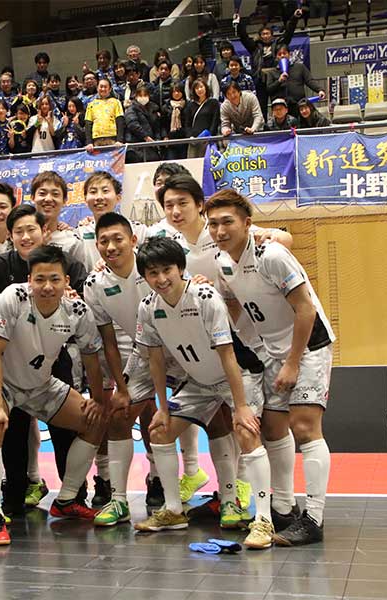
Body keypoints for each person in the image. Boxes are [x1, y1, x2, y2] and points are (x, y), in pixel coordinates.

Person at [206, 188, 335, 547]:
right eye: (213, 224)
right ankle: (282, 508)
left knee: (305, 427)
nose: (219, 230)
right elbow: (232, 304)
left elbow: (305, 309)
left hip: (308, 346)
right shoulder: (222, 262)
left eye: (227, 222)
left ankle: (314, 518)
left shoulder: (272, 254)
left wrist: (292, 362)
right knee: (275, 429)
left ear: (247, 223)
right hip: (272, 352)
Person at [0, 245, 108, 543]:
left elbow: (91, 357)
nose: (47, 286)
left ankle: (67, 500)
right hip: (2, 383)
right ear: (29, 279)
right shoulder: (13, 297)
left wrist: (98, 400)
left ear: (66, 282)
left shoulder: (77, 311)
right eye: (40, 279)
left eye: (55, 279)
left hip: (41, 385)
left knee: (96, 421)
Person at [131, 237, 264, 534]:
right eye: (153, 273)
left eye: (167, 270)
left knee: (247, 431)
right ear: (145, 277)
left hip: (237, 376)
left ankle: (260, 518)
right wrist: (162, 408)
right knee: (159, 431)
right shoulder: (148, 307)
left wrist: (241, 407)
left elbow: (227, 354)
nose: (161, 279)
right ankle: (173, 510)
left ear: (181, 268)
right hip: (199, 383)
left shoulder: (204, 297)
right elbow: (155, 361)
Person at [0, 203, 88, 514]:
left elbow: (88, 327)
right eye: (19, 231)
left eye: (32, 230)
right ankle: (7, 500)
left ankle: (72, 497)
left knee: (73, 427)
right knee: (11, 432)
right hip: (7, 368)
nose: (26, 236)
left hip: (51, 361)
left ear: (45, 231)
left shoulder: (72, 267)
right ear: (10, 237)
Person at [83, 212, 184, 526]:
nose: (111, 247)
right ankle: (119, 500)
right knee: (119, 416)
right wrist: (121, 387)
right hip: (142, 354)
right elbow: (108, 341)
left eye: (118, 239)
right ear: (96, 245)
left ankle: (226, 496)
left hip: (185, 352)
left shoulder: (155, 268)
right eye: (104, 241)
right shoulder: (95, 282)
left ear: (133, 240)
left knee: (218, 418)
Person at [74, 171, 147, 272]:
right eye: (93, 192)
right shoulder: (79, 233)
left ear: (118, 198)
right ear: (85, 199)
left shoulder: (138, 229)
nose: (99, 197)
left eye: (105, 191)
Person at [265, 45, 324, 116]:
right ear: (276, 57)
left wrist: (319, 90)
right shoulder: (272, 72)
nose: (282, 56)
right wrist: (279, 81)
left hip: (299, 105)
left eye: (284, 53)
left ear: (289, 54)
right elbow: (269, 89)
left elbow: (309, 81)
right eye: (279, 54)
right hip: (281, 109)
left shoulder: (299, 67)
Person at [185, 77, 221, 159]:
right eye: (197, 88)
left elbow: (215, 121)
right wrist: (190, 137)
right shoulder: (191, 105)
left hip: (207, 140)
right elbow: (187, 124)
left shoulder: (213, 103)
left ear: (206, 88)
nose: (199, 90)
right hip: (194, 140)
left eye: (201, 87)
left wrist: (210, 136)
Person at [124, 85, 162, 163]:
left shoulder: (154, 108)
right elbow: (132, 124)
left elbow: (157, 126)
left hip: (152, 145)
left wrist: (157, 140)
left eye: (145, 95)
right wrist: (145, 137)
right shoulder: (131, 109)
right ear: (136, 96)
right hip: (136, 145)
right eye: (140, 95)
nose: (143, 98)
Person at [84, 78, 125, 148]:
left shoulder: (116, 102)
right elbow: (88, 124)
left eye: (105, 87)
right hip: (96, 139)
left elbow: (120, 121)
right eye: (101, 86)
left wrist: (119, 140)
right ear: (97, 88)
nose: (103, 89)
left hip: (113, 138)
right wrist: (89, 142)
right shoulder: (91, 104)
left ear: (110, 89)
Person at [163, 84, 187, 160]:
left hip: (184, 139)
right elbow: (162, 124)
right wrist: (164, 136)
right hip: (170, 140)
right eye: (174, 92)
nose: (176, 93)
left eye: (178, 91)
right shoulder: (165, 107)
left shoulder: (188, 105)